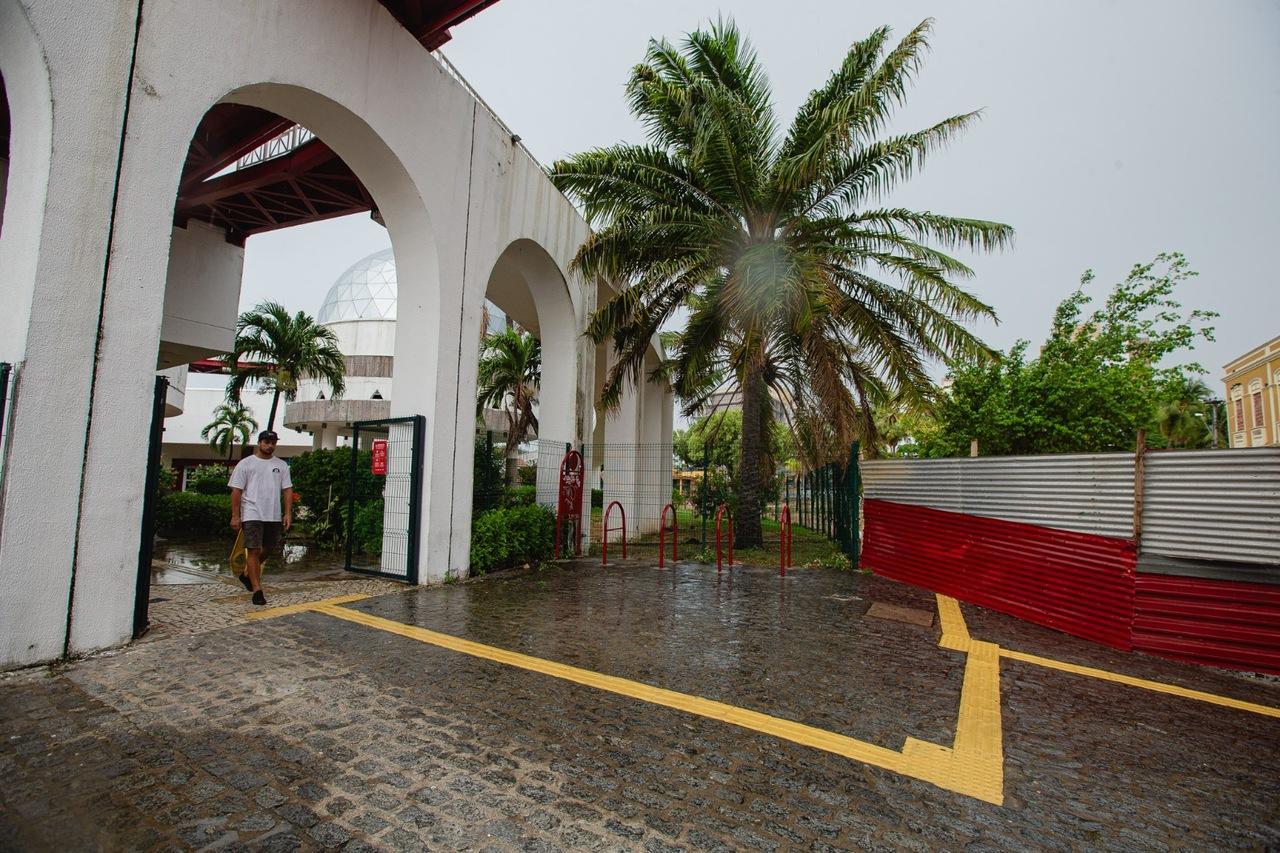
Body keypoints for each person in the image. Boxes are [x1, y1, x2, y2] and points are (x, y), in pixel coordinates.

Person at [229, 430, 293, 605]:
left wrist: (287, 513)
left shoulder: (281, 465)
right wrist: (236, 516)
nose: (270, 445)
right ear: (259, 443)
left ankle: (246, 574)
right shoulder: (246, 464)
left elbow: (287, 490)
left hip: (272, 514)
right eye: (267, 442)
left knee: (269, 548)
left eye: (273, 442)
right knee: (254, 549)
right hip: (252, 512)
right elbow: (236, 491)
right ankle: (257, 590)